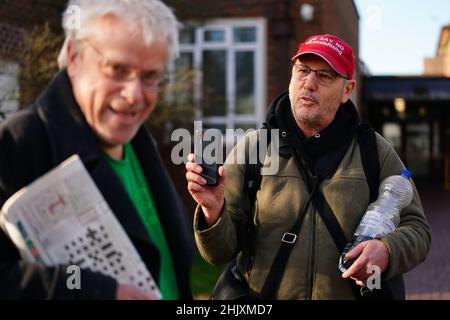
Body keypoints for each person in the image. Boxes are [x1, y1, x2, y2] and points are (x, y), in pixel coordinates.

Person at [186, 34, 431, 299]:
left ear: (347, 90)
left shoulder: (375, 151)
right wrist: (213, 212)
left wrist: (387, 250)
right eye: (302, 71)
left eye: (324, 76)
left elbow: (418, 229)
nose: (309, 83)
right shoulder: (254, 148)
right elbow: (218, 253)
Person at [0, 0, 193, 300]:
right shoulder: (20, 142)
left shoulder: (140, 142)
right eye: (117, 69)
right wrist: (99, 291)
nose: (134, 96)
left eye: (150, 76)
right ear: (75, 58)